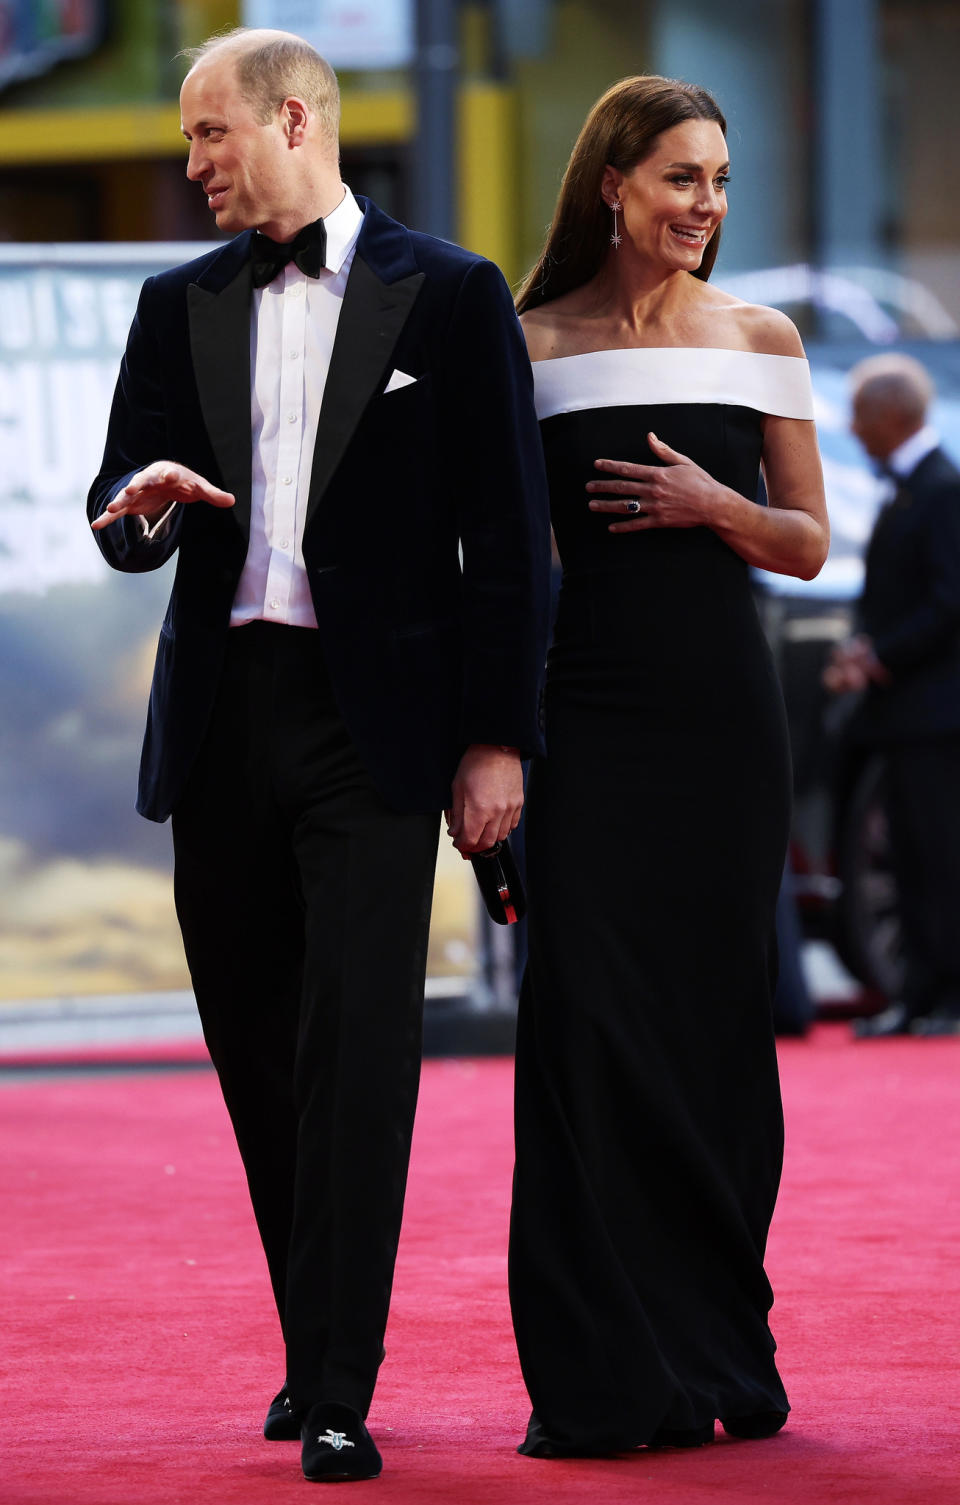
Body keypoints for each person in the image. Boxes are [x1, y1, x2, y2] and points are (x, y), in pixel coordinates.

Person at [88, 27, 550, 1483]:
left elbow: (509, 541)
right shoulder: (178, 303)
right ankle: (313, 1340)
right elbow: (119, 505)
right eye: (185, 141)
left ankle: (340, 1382)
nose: (192, 164)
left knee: (359, 1055)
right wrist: (145, 505)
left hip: (379, 730)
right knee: (260, 1064)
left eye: (206, 135)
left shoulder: (454, 293)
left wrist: (497, 741)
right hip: (224, 719)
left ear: (294, 118)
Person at [507, 75, 828, 1458]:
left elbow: (810, 542)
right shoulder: (521, 345)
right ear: (612, 185)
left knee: (709, 1029)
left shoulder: (762, 337)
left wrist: (716, 507)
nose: (705, 205)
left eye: (719, 182)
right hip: (580, 723)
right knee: (581, 1023)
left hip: (719, 727)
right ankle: (603, 1376)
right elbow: (493, 562)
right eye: (681, 178)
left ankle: (714, 1352)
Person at [824, 355, 960, 1039]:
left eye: (858, 412)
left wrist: (879, 655)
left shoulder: (941, 487)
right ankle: (921, 991)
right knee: (911, 855)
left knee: (938, 856)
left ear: (890, 414)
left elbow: (950, 599)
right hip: (905, 713)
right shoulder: (915, 487)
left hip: (935, 712)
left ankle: (942, 995)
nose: (851, 428)